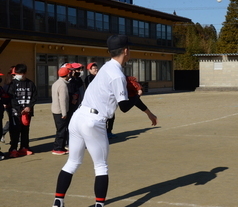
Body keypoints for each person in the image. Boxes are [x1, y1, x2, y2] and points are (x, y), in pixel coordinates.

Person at [52, 34, 156, 207]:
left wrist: (148, 112)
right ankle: (99, 205)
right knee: (101, 166)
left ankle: (58, 201)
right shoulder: (117, 75)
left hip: (78, 118)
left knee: (72, 162)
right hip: (93, 121)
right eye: (128, 48)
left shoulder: (106, 68)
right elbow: (123, 106)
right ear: (125, 50)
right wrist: (137, 96)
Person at [8, 64, 37, 158]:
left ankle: (24, 147)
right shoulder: (12, 84)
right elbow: (11, 98)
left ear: (24, 73)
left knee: (25, 130)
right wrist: (19, 109)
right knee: (15, 130)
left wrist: (29, 107)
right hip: (15, 112)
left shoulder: (30, 84)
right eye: (17, 73)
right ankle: (13, 149)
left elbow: (34, 97)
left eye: (19, 73)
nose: (18, 75)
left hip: (27, 112)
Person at [51, 67, 70, 155]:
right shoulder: (63, 85)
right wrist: (64, 113)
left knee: (61, 129)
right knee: (61, 130)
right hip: (60, 111)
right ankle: (57, 148)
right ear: (67, 75)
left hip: (55, 110)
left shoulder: (56, 83)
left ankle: (61, 147)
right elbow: (63, 100)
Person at [1, 66, 15, 143]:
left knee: (15, 121)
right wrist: (5, 103)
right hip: (9, 105)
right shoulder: (8, 83)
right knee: (13, 121)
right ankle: (3, 132)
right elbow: (4, 93)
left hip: (16, 105)